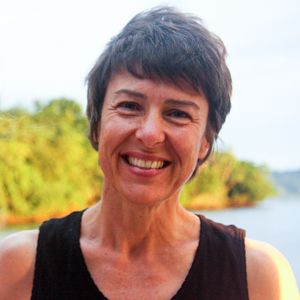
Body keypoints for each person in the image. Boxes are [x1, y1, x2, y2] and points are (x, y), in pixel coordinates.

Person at [0, 6, 299, 300]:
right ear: (97, 124)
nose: (150, 134)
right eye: (129, 106)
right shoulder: (17, 267)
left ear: (206, 141)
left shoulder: (258, 276)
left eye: (178, 113)